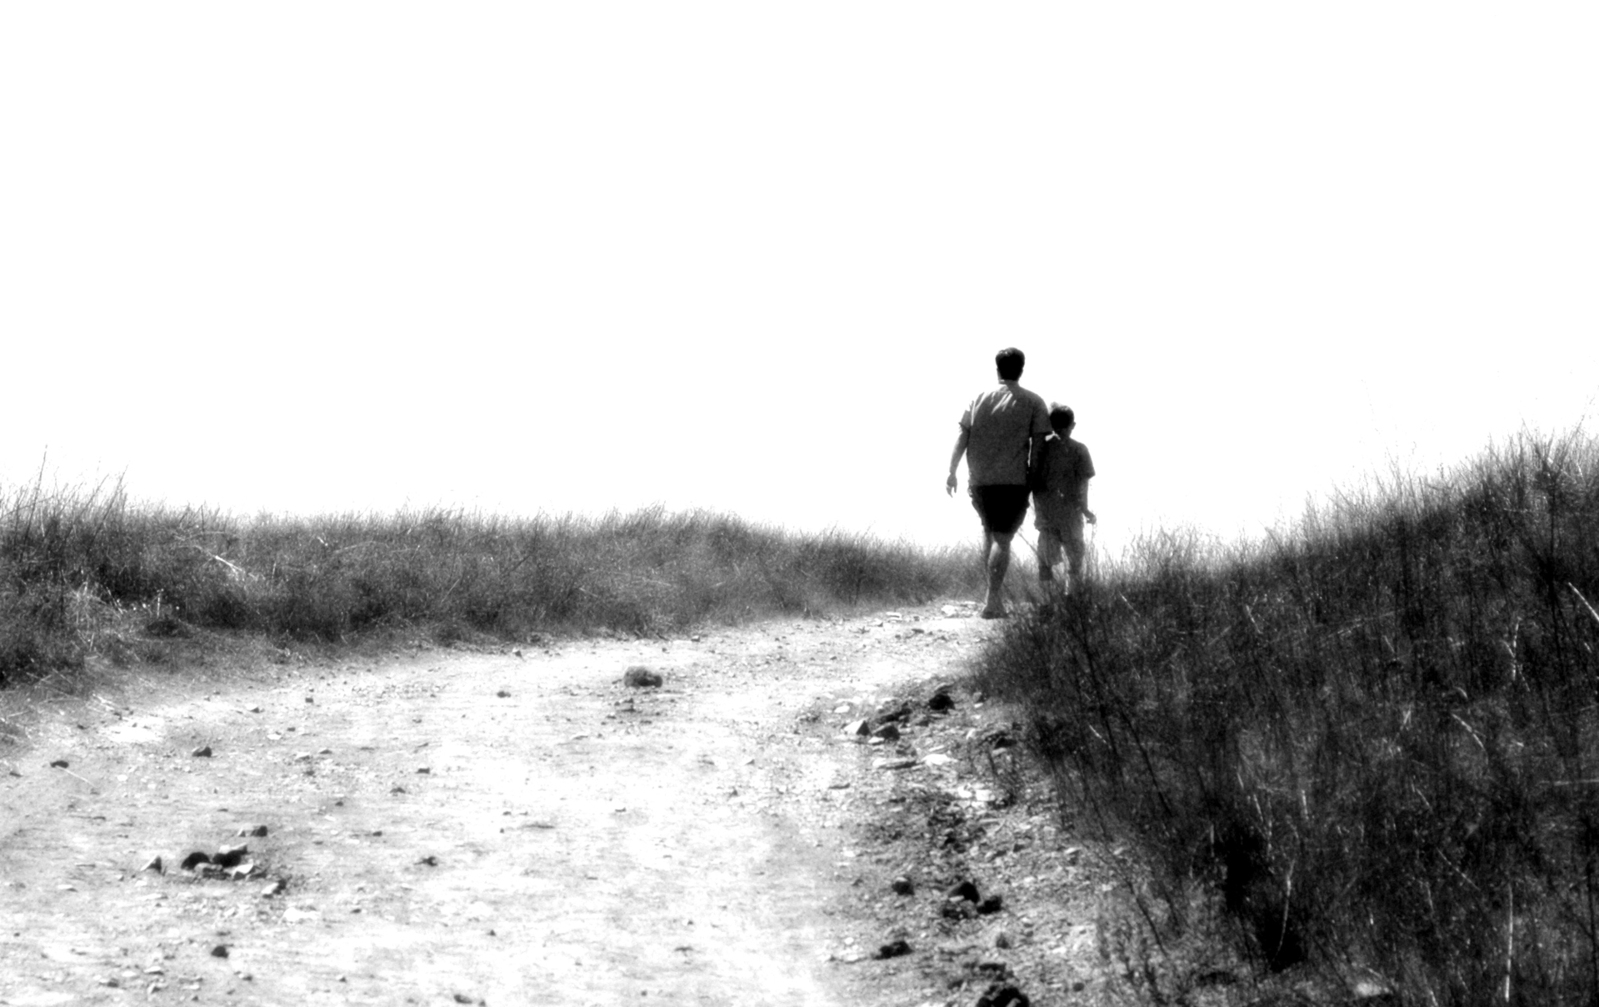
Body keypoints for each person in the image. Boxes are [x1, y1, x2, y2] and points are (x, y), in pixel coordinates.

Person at [946, 347, 1052, 618]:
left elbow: (962, 436)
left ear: (997, 369)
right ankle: (993, 600)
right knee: (1002, 540)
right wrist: (1033, 480)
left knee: (989, 533)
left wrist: (952, 471)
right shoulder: (1033, 401)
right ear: (1021, 370)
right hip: (1013, 481)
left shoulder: (978, 398)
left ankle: (990, 595)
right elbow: (1038, 447)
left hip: (980, 481)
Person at [1032, 403, 1096, 593]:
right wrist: (1085, 510)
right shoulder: (1080, 449)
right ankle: (1071, 597)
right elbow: (1083, 485)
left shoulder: (1042, 449)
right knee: (1075, 559)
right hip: (1071, 514)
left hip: (1047, 514)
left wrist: (1038, 509)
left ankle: (1046, 601)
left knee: (1045, 561)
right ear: (1073, 425)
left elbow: (1034, 482)